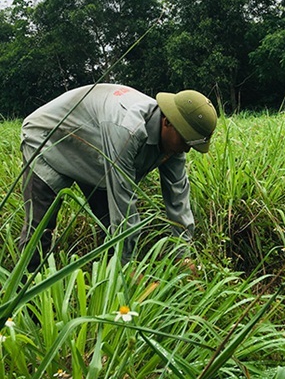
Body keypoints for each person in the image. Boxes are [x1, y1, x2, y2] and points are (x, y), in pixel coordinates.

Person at [19, 83, 217, 271]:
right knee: (41, 226)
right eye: (186, 141)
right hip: (49, 139)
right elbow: (123, 199)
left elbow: (178, 196)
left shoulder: (176, 143)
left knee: (109, 225)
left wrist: (182, 254)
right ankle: (25, 293)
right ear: (167, 123)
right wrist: (126, 265)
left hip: (94, 151)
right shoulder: (128, 128)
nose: (187, 150)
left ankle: (108, 287)